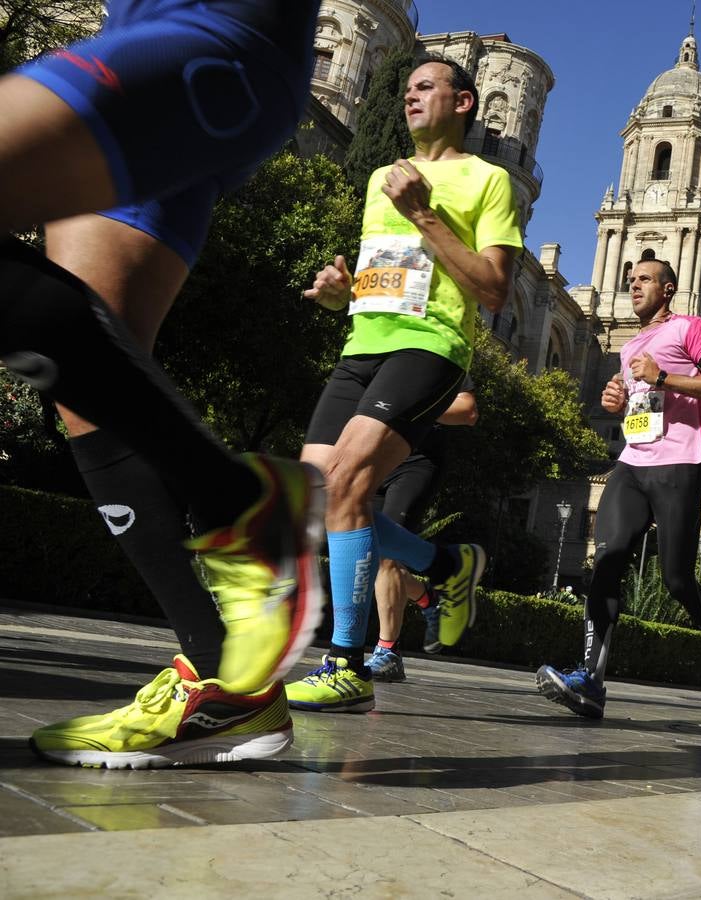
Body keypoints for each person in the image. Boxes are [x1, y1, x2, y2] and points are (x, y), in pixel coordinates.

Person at [14, 2, 329, 769]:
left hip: (210, 45)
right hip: (148, 45)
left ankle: (243, 504)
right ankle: (228, 691)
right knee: (88, 385)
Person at [285, 56, 518, 713]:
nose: (410, 97)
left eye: (425, 87)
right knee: (317, 497)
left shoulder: (488, 180)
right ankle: (446, 566)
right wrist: (340, 295)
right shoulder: (380, 178)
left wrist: (423, 214)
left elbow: (494, 290)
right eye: (406, 89)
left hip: (430, 347)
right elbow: (383, 277)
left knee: (349, 482)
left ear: (463, 102)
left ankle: (347, 663)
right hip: (362, 345)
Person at [536, 258, 701, 719]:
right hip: (631, 464)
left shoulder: (690, 328)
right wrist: (620, 400)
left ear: (667, 289)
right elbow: (640, 402)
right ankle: (591, 681)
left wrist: (662, 377)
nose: (634, 285)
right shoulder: (630, 347)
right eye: (631, 279)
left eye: (645, 279)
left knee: (677, 580)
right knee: (606, 561)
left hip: (679, 464)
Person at [367, 380, 479, 683]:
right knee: (364, 555)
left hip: (416, 461)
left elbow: (467, 409)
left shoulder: (435, 359)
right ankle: (427, 596)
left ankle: (388, 652)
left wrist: (409, 406)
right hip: (372, 458)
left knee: (388, 555)